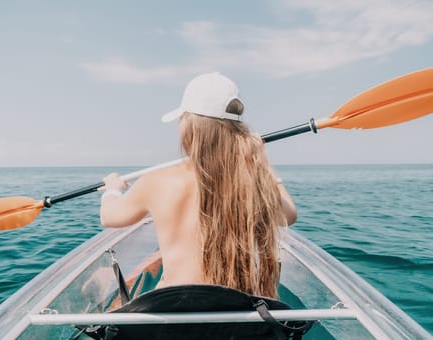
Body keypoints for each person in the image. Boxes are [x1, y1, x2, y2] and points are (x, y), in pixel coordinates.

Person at [99, 72, 297, 298]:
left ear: (189, 126)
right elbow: (288, 215)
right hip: (235, 314)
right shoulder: (253, 181)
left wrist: (112, 189)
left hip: (174, 310)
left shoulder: (157, 181)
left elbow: (110, 217)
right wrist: (260, 162)